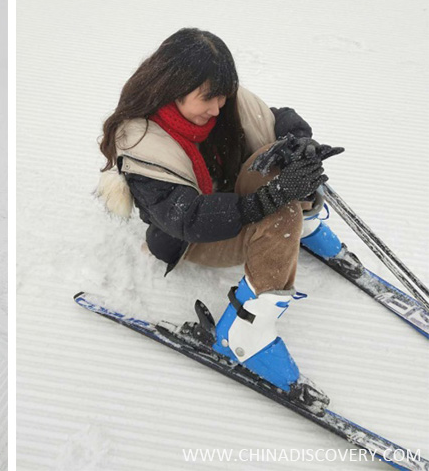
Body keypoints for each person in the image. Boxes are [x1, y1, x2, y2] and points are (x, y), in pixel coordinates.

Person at [96, 28, 343, 400]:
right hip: (189, 238)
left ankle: (300, 221)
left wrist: (300, 145)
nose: (217, 108)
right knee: (278, 211)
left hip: (227, 201)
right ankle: (244, 331)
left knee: (282, 157)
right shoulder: (142, 146)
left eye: (222, 96)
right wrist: (266, 201)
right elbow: (186, 218)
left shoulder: (222, 107)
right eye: (208, 98)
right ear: (173, 88)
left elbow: (277, 119)